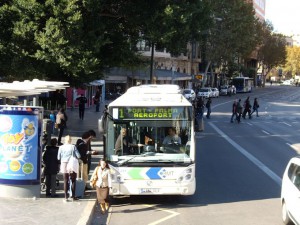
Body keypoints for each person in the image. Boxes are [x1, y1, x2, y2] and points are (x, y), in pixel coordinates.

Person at [57, 135, 81, 202]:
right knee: (73, 181)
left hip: (64, 164)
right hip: (72, 164)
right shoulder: (73, 147)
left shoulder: (61, 147)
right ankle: (73, 196)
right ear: (70, 140)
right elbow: (78, 155)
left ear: (65, 140)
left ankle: (65, 197)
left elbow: (58, 157)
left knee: (65, 181)